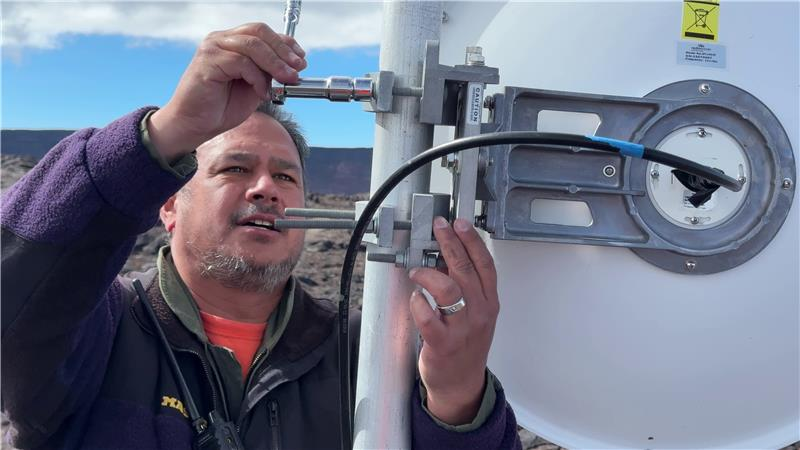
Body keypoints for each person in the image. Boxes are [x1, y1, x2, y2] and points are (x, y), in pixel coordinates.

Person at [1, 22, 522, 449]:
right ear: (167, 204)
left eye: (287, 176)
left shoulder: (372, 351)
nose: (266, 189)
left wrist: (457, 399)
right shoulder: (96, 332)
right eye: (234, 169)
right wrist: (170, 130)